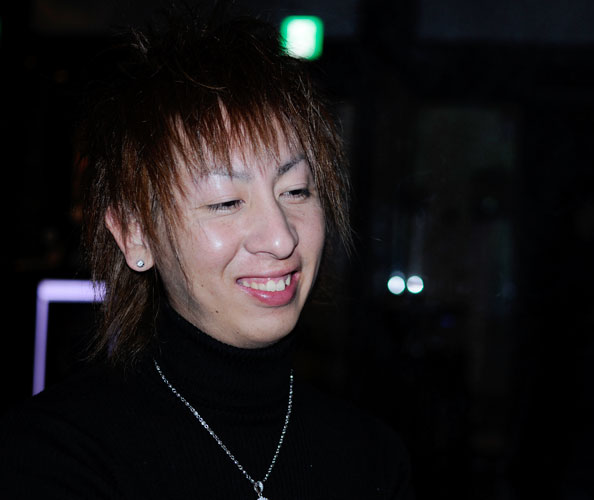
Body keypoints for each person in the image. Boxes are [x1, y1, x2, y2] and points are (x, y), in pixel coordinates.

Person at [0, 5, 413, 499]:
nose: (281, 239)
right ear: (134, 234)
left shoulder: (372, 458)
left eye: (296, 190)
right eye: (225, 202)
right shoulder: (56, 456)